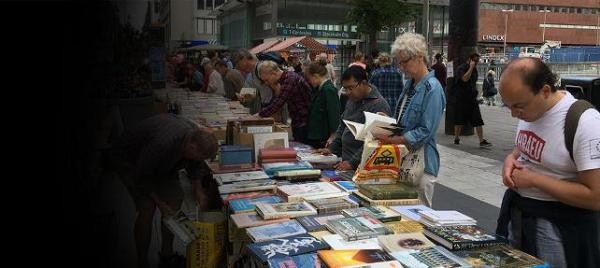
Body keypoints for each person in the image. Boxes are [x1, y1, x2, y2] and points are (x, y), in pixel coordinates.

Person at [496, 57, 600, 268]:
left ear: (544, 91)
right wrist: (511, 158)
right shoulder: (530, 111)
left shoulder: (586, 123)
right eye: (508, 107)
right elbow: (526, 146)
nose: (515, 114)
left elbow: (595, 197)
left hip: (558, 229)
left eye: (518, 106)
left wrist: (534, 179)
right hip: (519, 217)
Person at [110, 114, 219, 268]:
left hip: (165, 163)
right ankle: (142, 261)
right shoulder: (163, 143)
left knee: (174, 206)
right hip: (132, 162)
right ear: (192, 147)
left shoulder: (195, 136)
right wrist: (160, 203)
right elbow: (142, 176)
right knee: (147, 208)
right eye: (198, 156)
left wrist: (198, 190)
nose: (198, 159)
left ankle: (166, 256)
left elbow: (196, 164)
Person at [371, 33, 446, 207]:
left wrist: (393, 138)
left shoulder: (432, 89)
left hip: (421, 164)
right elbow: (405, 122)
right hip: (404, 160)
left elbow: (425, 132)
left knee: (419, 216)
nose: (401, 67)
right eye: (399, 62)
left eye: (404, 61)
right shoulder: (410, 84)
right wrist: (388, 122)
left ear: (420, 57)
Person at [317, 66, 391, 171]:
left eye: (351, 88)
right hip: (346, 164)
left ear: (364, 83)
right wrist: (332, 148)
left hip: (363, 169)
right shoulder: (352, 100)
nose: (347, 92)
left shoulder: (379, 105)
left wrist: (352, 163)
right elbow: (342, 126)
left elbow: (374, 142)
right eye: (345, 88)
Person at [256, 60, 312, 143]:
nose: (266, 83)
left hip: (304, 122)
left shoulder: (290, 79)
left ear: (274, 73)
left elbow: (278, 103)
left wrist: (258, 115)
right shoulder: (286, 79)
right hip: (299, 121)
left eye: (267, 80)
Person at [452, 53, 492, 147]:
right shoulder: (461, 68)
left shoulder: (474, 70)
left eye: (477, 61)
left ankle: (481, 140)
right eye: (475, 60)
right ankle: (456, 138)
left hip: (471, 98)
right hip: (461, 98)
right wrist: (470, 67)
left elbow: (472, 82)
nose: (476, 63)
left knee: (477, 118)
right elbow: (464, 79)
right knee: (459, 119)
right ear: (469, 59)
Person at [304, 58, 341, 149]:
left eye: (309, 79)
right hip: (319, 134)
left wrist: (333, 135)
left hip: (323, 135)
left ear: (316, 76)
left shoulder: (328, 89)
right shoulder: (321, 88)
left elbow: (334, 113)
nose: (309, 82)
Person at [232, 49, 275, 114]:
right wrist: (243, 97)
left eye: (238, 63)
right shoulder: (252, 73)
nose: (238, 67)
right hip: (267, 106)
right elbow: (254, 91)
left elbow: (278, 86)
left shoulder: (260, 68)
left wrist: (277, 109)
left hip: (273, 107)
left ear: (244, 59)